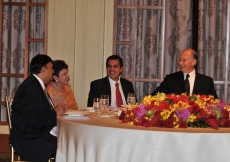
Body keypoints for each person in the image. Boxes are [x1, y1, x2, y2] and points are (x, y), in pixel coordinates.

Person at [9, 55, 66, 161]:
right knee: (67, 145)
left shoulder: (35, 84)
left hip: (35, 131)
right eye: (51, 68)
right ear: (44, 70)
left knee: (67, 140)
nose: (53, 71)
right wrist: (54, 113)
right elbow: (31, 118)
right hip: (29, 138)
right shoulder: (30, 88)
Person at [151, 48, 218, 98]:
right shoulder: (170, 79)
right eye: (179, 60)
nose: (180, 63)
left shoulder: (207, 81)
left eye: (184, 60)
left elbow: (215, 103)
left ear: (193, 62)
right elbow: (154, 97)